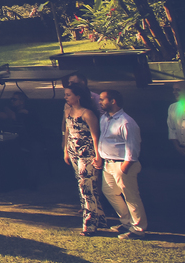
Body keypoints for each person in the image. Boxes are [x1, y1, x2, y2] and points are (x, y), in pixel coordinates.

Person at [97, 89, 147, 239]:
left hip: (122, 164)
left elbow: (133, 145)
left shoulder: (126, 122)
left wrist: (125, 166)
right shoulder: (104, 118)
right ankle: (126, 222)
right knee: (110, 192)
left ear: (113, 101)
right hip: (108, 163)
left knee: (131, 196)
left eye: (103, 99)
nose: (100, 102)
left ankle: (138, 229)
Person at [62, 80, 103, 235]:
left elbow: (95, 136)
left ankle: (90, 223)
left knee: (87, 187)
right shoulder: (68, 112)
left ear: (78, 97)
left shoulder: (87, 113)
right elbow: (67, 131)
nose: (66, 98)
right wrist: (66, 150)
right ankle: (99, 217)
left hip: (87, 153)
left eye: (68, 95)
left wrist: (98, 155)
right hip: (74, 151)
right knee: (81, 184)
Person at [169, 83, 185, 159]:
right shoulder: (172, 107)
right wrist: (177, 147)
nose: (174, 92)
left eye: (178, 90)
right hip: (180, 149)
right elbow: (172, 129)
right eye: (173, 89)